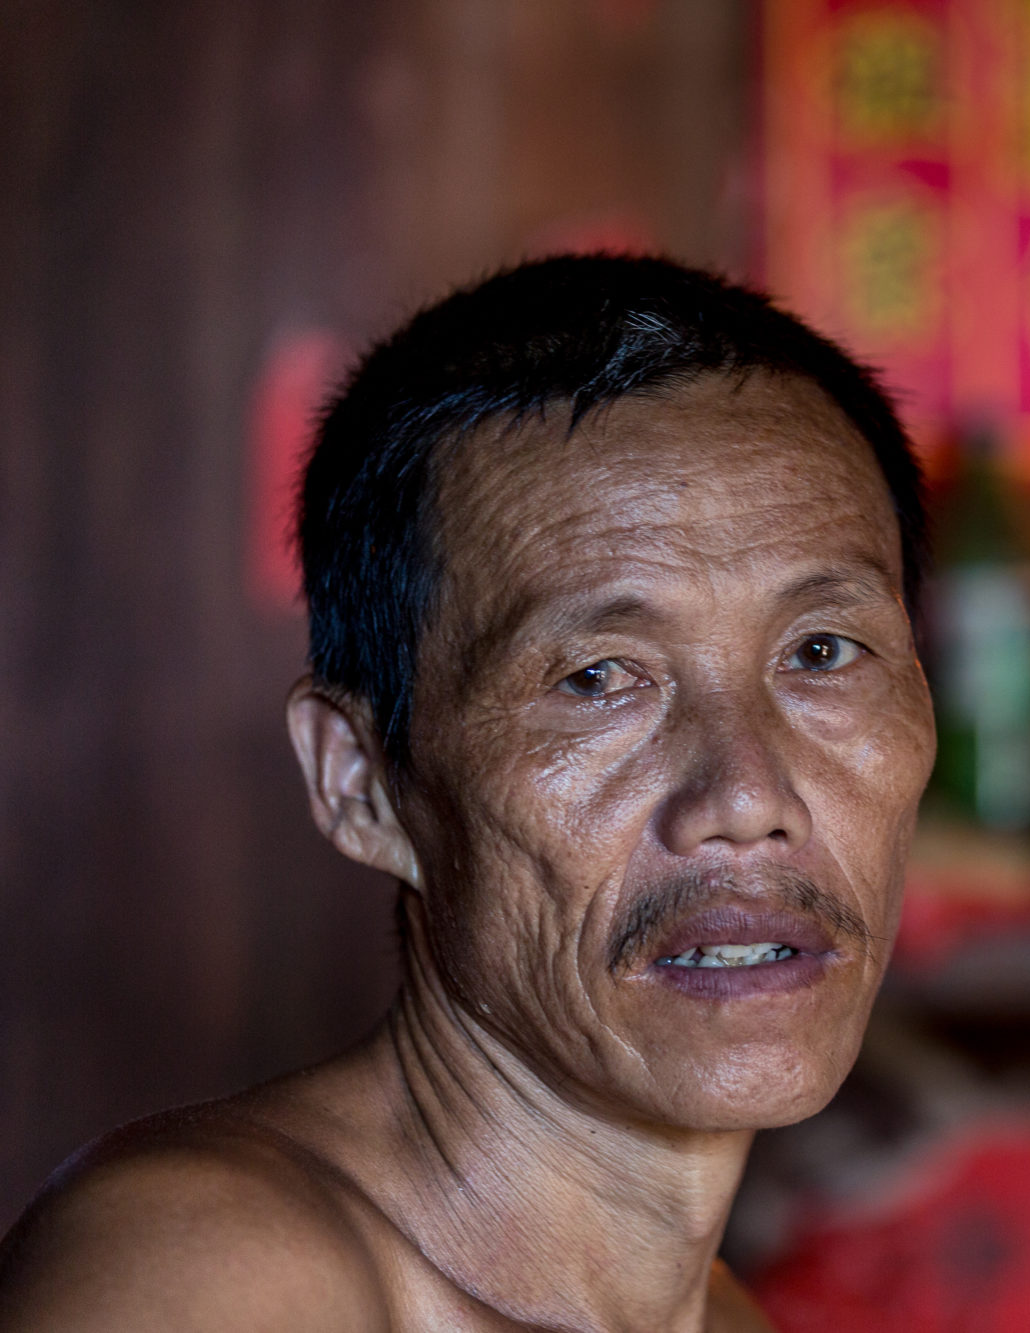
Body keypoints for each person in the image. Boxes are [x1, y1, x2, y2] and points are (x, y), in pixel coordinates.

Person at [0, 255, 936, 1330]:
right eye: (596, 679)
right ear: (361, 781)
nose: (744, 795)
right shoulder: (218, 1274)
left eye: (821, 651)